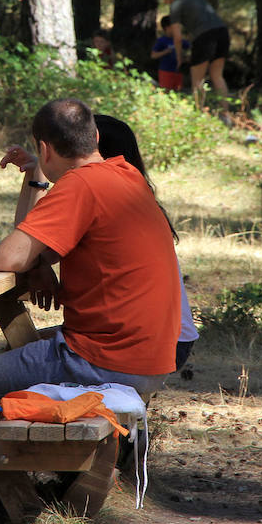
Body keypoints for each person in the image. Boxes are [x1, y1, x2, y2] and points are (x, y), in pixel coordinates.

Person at [0, 99, 181, 403]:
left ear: (44, 149)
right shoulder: (127, 174)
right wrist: (3, 254)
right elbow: (43, 251)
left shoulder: (79, 184)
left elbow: (11, 258)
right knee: (18, 349)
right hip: (150, 358)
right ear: (95, 137)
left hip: (104, 360)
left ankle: (6, 447)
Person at [93, 114, 198, 369]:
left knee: (26, 351)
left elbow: (26, 253)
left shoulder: (106, 199)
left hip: (155, 343)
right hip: (170, 338)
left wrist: (37, 178)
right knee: (32, 346)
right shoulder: (136, 196)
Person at [158, 0, 229, 113]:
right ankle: (226, 114)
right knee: (217, 76)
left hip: (204, 37)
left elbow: (177, 37)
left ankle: (199, 113)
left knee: (197, 79)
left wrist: (179, 58)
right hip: (222, 33)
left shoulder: (175, 6)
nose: (164, 1)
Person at [150, 15, 188, 91]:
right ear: (167, 28)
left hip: (178, 71)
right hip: (166, 71)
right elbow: (153, 55)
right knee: (166, 91)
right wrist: (165, 52)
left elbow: (188, 47)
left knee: (178, 92)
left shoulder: (180, 40)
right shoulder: (162, 41)